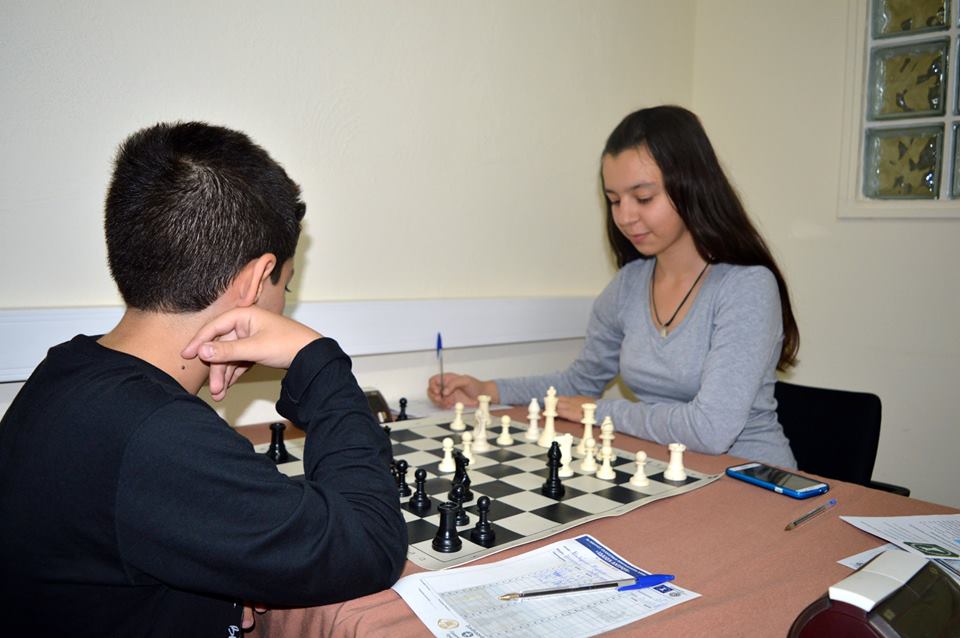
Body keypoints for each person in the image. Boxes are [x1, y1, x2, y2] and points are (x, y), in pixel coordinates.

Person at [0, 122, 407, 636]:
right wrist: (316, 360)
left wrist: (211, 595)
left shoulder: (68, 370)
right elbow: (370, 542)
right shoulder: (156, 434)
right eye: (284, 284)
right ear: (255, 280)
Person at [428, 106, 799, 468]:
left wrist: (600, 412)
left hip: (752, 479)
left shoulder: (746, 286)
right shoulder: (629, 284)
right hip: (668, 470)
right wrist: (488, 390)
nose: (625, 216)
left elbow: (711, 429)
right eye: (614, 201)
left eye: (643, 198)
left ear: (692, 187)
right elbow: (579, 383)